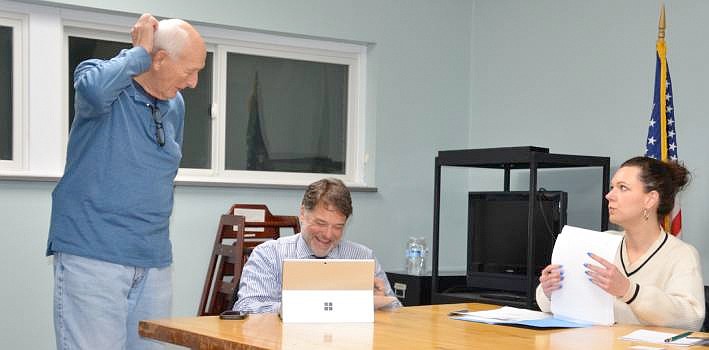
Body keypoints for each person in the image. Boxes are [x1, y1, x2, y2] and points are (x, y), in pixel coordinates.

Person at [46, 14, 206, 350]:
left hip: (153, 259)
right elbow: (91, 89)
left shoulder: (175, 105)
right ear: (159, 59)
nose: (194, 82)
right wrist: (138, 53)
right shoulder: (101, 81)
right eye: (189, 71)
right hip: (93, 254)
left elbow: (164, 173)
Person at [536, 156, 704, 330]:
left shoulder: (681, 254)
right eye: (611, 188)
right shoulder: (600, 243)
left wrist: (629, 291)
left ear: (650, 199)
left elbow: (691, 319)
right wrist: (550, 291)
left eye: (622, 188)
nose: (609, 196)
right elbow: (552, 305)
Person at [233, 178, 402, 313]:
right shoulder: (269, 255)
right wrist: (300, 308)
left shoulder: (363, 257)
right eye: (320, 223)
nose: (328, 235)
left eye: (338, 227)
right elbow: (246, 309)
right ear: (302, 214)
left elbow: (398, 312)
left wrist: (383, 305)